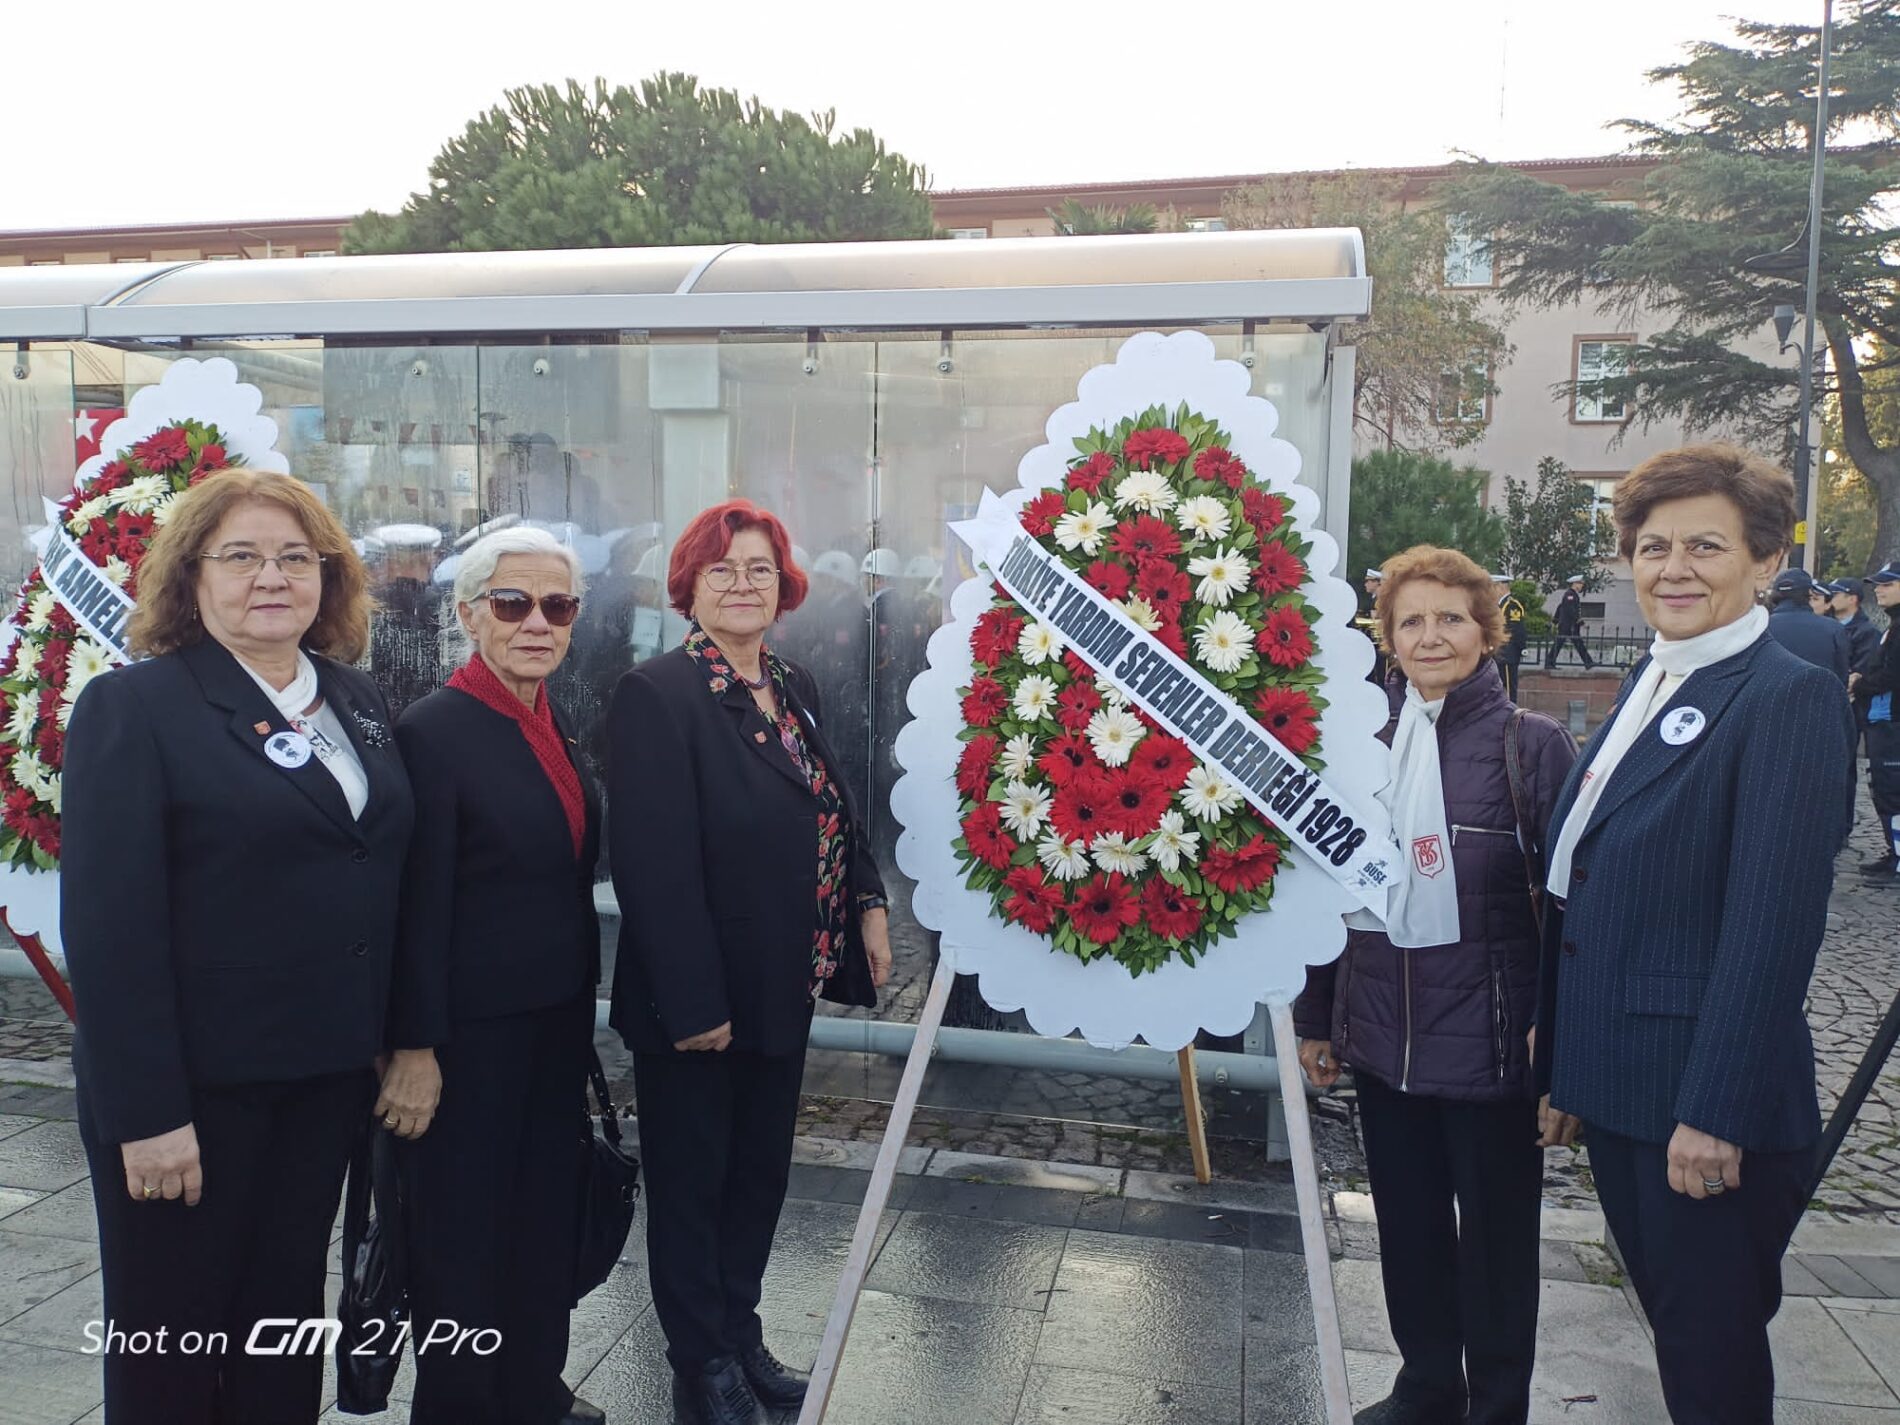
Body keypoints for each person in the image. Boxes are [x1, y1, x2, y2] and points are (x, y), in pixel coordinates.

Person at [61, 470, 415, 1424]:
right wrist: (148, 1114)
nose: (273, 576)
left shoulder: (356, 700)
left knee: (281, 1327)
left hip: (319, 1082)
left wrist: (399, 1039)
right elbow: (108, 928)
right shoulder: (135, 709)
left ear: (329, 577)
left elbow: (382, 872)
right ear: (191, 577)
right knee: (173, 1343)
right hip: (191, 1097)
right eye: (243, 556)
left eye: (297, 557)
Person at [1536, 444, 1854, 1424]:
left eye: (1705, 546)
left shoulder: (1781, 694)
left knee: (1709, 1353)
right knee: (1684, 1329)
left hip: (1699, 1106)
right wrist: (1568, 1071)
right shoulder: (1655, 677)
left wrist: (1712, 1109)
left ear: (1765, 561)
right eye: (1652, 545)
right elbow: (1587, 882)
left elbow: (1769, 928)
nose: (1672, 567)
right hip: (1624, 1083)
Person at [608, 500, 895, 1425]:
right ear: (689, 584)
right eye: (723, 568)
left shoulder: (791, 680)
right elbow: (653, 866)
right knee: (693, 1186)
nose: (743, 583)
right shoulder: (658, 693)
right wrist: (695, 1003)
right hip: (699, 1002)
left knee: (759, 1174)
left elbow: (836, 807)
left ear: (785, 585)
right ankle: (701, 1359)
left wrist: (867, 899)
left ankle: (739, 1330)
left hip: (783, 981)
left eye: (761, 568)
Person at [1296, 546, 1579, 1425]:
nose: (1430, 636)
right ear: (1387, 634)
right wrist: (1319, 1016)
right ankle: (1427, 1387)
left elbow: (1571, 912)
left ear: (1485, 629)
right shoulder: (1364, 746)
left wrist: (1556, 1044)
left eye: (1450, 617)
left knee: (1495, 1249)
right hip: (1383, 1037)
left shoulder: (1529, 748)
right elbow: (1330, 891)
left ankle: (1496, 1405)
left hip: (1492, 1047)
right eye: (1411, 620)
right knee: (1410, 1233)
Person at [378, 527, 605, 1425]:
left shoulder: (549, 715)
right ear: (470, 613)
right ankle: (462, 1403)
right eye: (513, 603)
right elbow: (417, 901)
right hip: (467, 1039)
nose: (536, 622)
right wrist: (415, 1045)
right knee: (462, 1241)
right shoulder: (434, 730)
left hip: (550, 1026)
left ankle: (530, 1388)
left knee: (541, 1221)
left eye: (558, 606)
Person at [367, 521, 446, 718]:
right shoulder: (441, 604)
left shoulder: (371, 604)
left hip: (380, 711)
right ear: (429, 560)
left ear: (390, 562)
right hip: (433, 712)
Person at [1852, 562, 1900, 878]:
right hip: (1884, 721)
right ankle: (1893, 853)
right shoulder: (1893, 626)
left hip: (1892, 723)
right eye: (1877, 585)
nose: (1879, 589)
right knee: (1885, 790)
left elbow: (1892, 675)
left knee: (1892, 792)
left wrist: (1859, 683)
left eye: (1887, 584)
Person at [1765, 567, 1850, 682]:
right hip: (1820, 696)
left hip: (1771, 697)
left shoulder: (1760, 628)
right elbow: (1841, 678)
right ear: (1809, 593)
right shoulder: (1834, 629)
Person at [1830, 577, 1883, 677]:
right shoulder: (1826, 625)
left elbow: (1863, 669)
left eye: (1834, 594)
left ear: (1852, 599)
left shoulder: (1868, 632)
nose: (1829, 598)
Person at [1544, 574, 1596, 669]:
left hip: (1568, 625)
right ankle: (1549, 663)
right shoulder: (1570, 595)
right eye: (1580, 584)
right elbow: (1570, 610)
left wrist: (1555, 621)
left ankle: (1588, 662)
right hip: (1569, 625)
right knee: (1564, 643)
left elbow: (1560, 607)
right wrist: (1580, 622)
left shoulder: (1570, 595)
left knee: (1572, 643)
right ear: (1575, 584)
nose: (1581, 586)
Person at [1492, 572, 1528, 701]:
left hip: (1508, 652)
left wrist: (1522, 646)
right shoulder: (1499, 604)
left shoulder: (1511, 605)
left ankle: (1511, 713)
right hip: (1499, 652)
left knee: (1508, 686)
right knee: (1499, 685)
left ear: (1501, 587)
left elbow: (1516, 628)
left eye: (1493, 587)